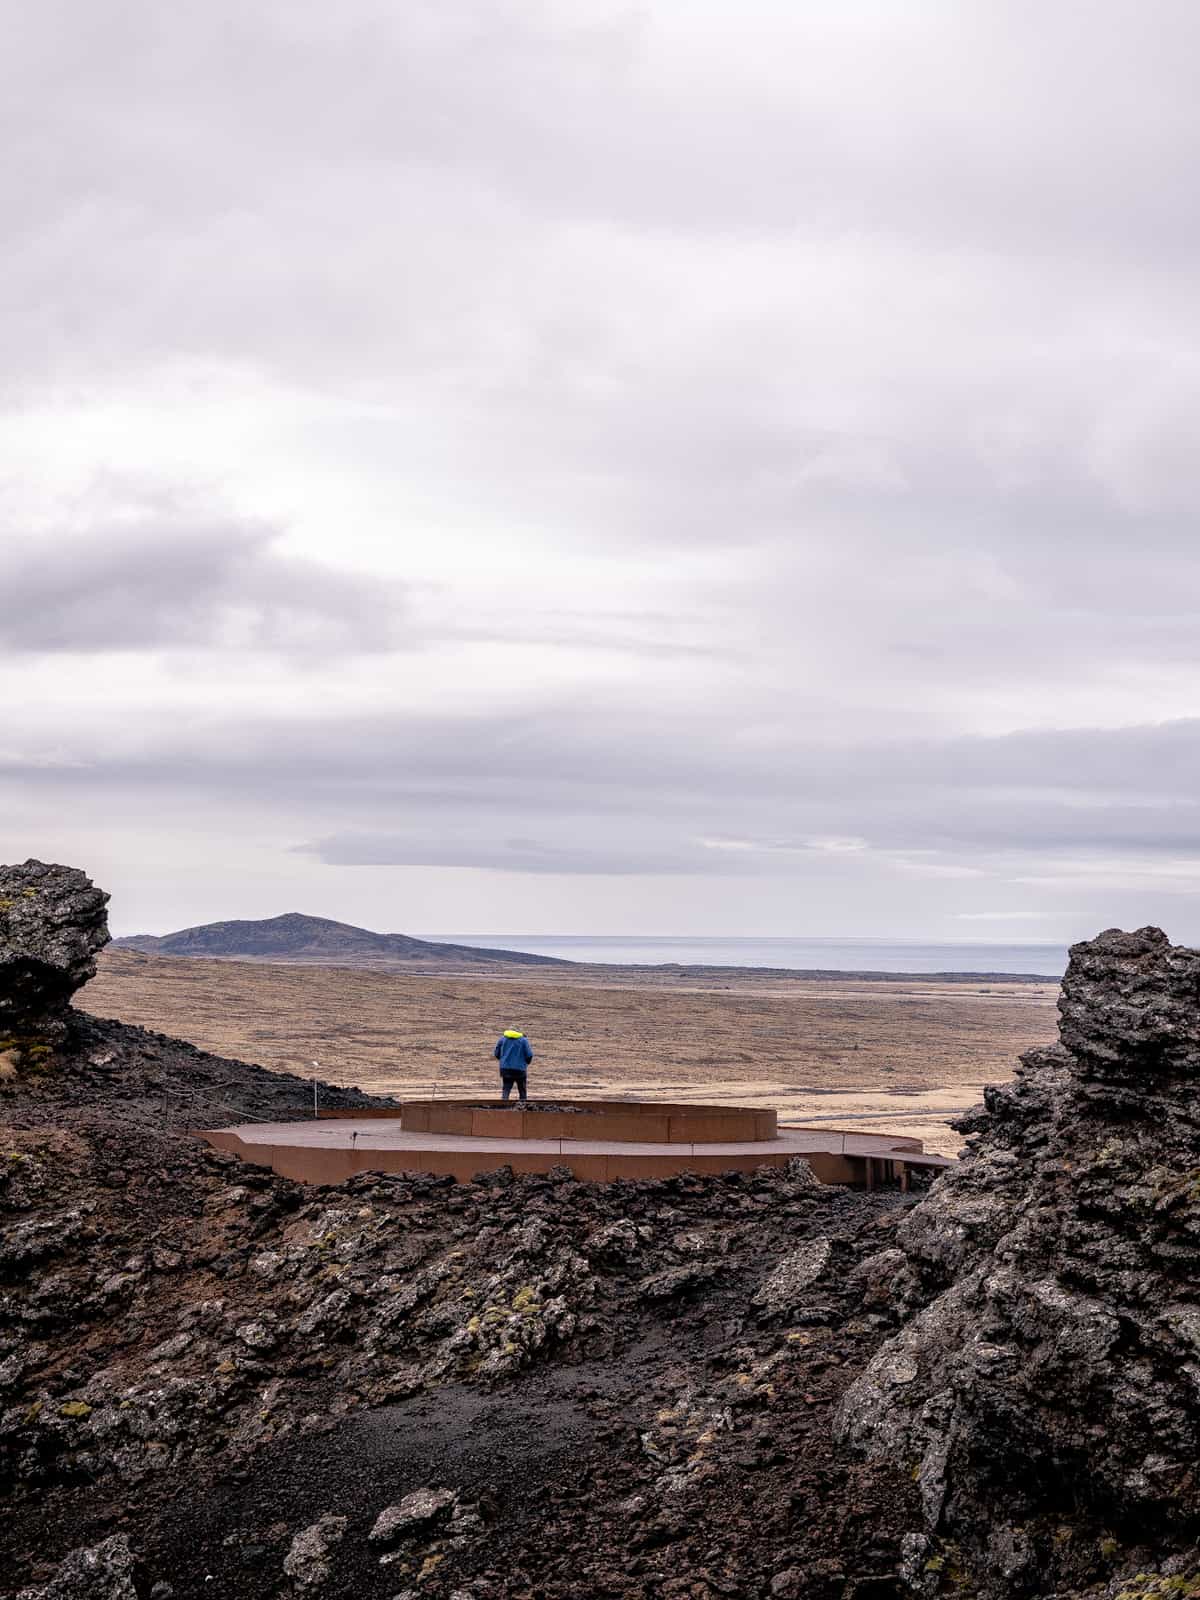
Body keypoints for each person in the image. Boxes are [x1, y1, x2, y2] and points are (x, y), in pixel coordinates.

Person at [493, 1026, 533, 1105]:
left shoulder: (502, 1039)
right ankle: (523, 1107)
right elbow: (529, 1055)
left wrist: (503, 1061)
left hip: (505, 1069)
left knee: (506, 1089)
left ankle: (504, 1107)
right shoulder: (523, 1040)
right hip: (520, 1069)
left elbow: (496, 1053)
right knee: (522, 1090)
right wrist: (526, 1063)